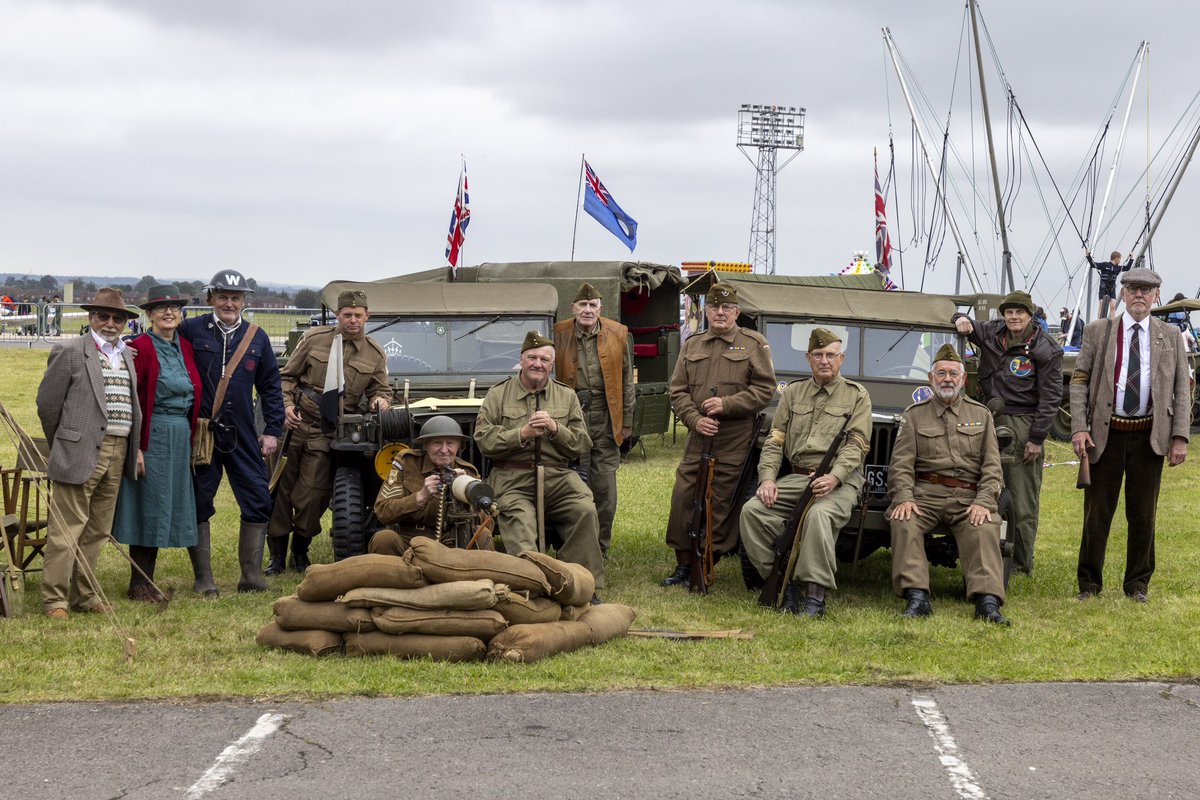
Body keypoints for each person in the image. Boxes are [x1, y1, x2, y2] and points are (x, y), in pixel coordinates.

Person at [1070, 268, 1189, 604]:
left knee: (1143, 515)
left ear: (1156, 296)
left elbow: (1183, 389)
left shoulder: (1171, 335)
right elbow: (1078, 381)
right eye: (1133, 289)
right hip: (1104, 438)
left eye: (1146, 290)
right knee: (1097, 514)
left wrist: (1179, 436)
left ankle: (1137, 585)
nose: (1139, 296)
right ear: (1122, 293)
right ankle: (1089, 585)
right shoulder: (1098, 332)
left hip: (1150, 437)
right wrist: (1079, 426)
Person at [739, 328, 871, 616]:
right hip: (799, 476)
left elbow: (857, 445)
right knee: (753, 511)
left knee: (818, 515)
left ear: (841, 358)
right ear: (809, 358)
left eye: (831, 355)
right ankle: (786, 585)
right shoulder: (793, 392)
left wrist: (834, 476)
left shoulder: (856, 396)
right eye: (819, 355)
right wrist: (768, 479)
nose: (825, 361)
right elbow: (775, 441)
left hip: (840, 481)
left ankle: (815, 596)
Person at [36, 287, 142, 618]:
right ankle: (55, 599)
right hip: (79, 450)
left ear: (125, 322)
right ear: (91, 318)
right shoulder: (69, 351)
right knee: (67, 528)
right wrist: (64, 443)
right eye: (104, 316)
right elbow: (47, 404)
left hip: (117, 449)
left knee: (98, 530)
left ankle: (87, 595)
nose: (110, 323)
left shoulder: (126, 354)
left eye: (117, 318)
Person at [474, 330, 605, 598]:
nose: (538, 363)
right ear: (521, 360)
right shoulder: (498, 395)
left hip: (558, 476)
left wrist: (556, 428)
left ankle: (581, 586)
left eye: (544, 359)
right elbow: (483, 440)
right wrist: (521, 434)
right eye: (532, 357)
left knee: (584, 510)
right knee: (521, 525)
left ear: (552, 364)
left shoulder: (566, 396)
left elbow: (582, 444)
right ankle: (534, 588)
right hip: (512, 478)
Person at [661, 282, 775, 588]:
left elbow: (765, 390)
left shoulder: (754, 344)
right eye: (714, 307)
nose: (720, 312)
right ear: (707, 311)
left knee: (721, 501)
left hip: (734, 437)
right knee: (685, 497)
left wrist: (727, 404)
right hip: (699, 436)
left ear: (736, 312)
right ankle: (684, 563)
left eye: (726, 308)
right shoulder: (692, 344)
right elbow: (678, 391)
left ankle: (710, 558)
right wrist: (695, 420)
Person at [268, 289, 391, 573]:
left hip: (328, 431)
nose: (352, 320)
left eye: (358, 315)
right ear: (338, 315)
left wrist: (379, 401)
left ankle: (300, 551)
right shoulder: (314, 340)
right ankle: (276, 556)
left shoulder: (373, 354)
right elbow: (287, 377)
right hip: (295, 424)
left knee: (314, 495)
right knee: (280, 491)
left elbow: (381, 390)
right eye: (347, 315)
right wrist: (286, 406)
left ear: (367, 316)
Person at [886, 344, 1009, 625]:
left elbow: (992, 466)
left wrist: (984, 501)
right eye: (941, 373)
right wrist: (904, 497)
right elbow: (901, 465)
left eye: (953, 373)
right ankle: (917, 596)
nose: (947, 379)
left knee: (986, 523)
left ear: (963, 379)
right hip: (925, 494)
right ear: (931, 379)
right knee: (903, 520)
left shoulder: (981, 415)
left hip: (967, 496)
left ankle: (987, 601)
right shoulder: (915, 415)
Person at [179, 269, 284, 593]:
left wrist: (271, 430)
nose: (229, 303)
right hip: (203, 431)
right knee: (199, 500)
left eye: (235, 298)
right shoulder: (190, 330)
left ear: (243, 302)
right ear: (211, 298)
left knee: (257, 498)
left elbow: (270, 386)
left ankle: (251, 577)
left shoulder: (257, 337)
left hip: (242, 431)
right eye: (222, 296)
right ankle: (203, 579)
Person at [952, 290, 1062, 576]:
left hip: (1022, 422)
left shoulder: (1046, 348)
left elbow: (1051, 397)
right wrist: (959, 318)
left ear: (1030, 315)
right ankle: (979, 552)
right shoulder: (991, 333)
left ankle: (1022, 562)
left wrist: (1037, 438)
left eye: (1019, 312)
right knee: (978, 483)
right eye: (1009, 312)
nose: (1013, 317)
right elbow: (964, 323)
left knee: (1021, 494)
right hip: (985, 416)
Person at [113, 285, 204, 601]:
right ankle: (138, 584)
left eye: (174, 307)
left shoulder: (186, 348)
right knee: (146, 506)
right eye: (161, 308)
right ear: (149, 315)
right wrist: (136, 445)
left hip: (180, 436)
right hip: (152, 434)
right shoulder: (140, 347)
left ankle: (146, 581)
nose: (169, 312)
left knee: (164, 507)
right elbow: (132, 399)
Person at [553, 282, 634, 558]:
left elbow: (627, 382)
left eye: (592, 305)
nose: (587, 310)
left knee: (604, 486)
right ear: (573, 308)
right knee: (571, 480)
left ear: (601, 308)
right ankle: (571, 542)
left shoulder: (619, 334)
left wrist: (626, 424)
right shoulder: (558, 333)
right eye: (582, 305)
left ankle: (600, 547)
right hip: (570, 417)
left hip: (605, 415)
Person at [368, 415, 494, 554]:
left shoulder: (467, 472)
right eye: (437, 443)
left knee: (484, 536)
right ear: (425, 445)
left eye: (450, 443)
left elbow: (486, 522)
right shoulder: (407, 464)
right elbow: (383, 511)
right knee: (384, 539)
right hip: (410, 537)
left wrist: (465, 494)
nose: (444, 450)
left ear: (459, 446)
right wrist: (420, 497)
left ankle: (479, 576)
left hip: (454, 539)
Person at [1087, 250, 1132, 320]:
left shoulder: (1118, 268)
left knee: (1113, 305)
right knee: (1102, 305)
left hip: (1111, 289)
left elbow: (1127, 268)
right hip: (1103, 288)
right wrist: (1088, 256)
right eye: (1120, 259)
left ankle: (1112, 321)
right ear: (1116, 258)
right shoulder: (1104, 265)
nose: (1120, 261)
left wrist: (1131, 258)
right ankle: (1099, 321)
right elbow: (1093, 264)